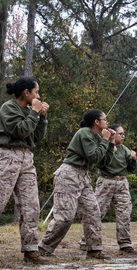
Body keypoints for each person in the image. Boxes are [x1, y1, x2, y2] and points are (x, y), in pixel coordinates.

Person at [0, 76, 50, 263]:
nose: (38, 96)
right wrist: (35, 113)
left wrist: (42, 117)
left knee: (31, 206)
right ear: (26, 92)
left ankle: (30, 249)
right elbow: (20, 131)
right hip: (6, 157)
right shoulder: (9, 108)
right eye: (36, 92)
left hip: (26, 159)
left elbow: (36, 136)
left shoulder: (31, 111)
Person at [38, 109, 113, 259]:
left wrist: (109, 144)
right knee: (65, 216)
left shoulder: (96, 137)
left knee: (92, 211)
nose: (107, 122)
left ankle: (94, 249)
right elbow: (93, 156)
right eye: (105, 119)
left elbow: (103, 162)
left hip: (83, 176)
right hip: (69, 175)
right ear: (96, 122)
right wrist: (105, 141)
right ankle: (43, 248)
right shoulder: (84, 133)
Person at [92, 123, 137, 255]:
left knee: (124, 213)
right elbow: (100, 162)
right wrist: (109, 148)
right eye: (120, 134)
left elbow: (131, 169)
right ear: (113, 134)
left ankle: (125, 244)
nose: (123, 136)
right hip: (106, 181)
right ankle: (87, 241)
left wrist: (134, 159)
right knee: (97, 212)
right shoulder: (104, 146)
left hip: (122, 183)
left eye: (124, 134)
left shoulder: (125, 150)